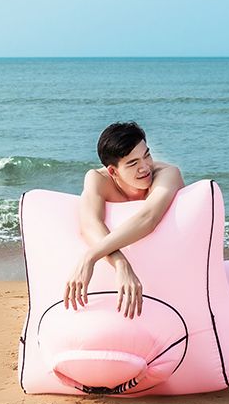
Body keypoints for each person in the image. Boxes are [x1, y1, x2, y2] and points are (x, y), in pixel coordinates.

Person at [64, 121, 184, 319]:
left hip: (171, 274)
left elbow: (148, 217)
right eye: (133, 163)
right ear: (113, 171)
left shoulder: (167, 174)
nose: (145, 167)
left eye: (147, 155)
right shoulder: (98, 179)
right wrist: (120, 263)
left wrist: (90, 257)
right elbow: (89, 224)